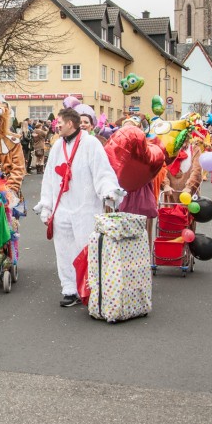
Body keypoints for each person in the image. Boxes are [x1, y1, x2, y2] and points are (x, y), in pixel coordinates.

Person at [35, 108, 124, 307]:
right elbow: (49, 177)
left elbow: (102, 171)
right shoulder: (57, 146)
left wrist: (109, 191)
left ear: (70, 124)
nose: (56, 125)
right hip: (62, 208)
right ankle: (69, 289)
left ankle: (91, 287)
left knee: (86, 249)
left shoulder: (91, 144)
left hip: (85, 206)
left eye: (59, 122)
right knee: (63, 250)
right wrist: (47, 206)